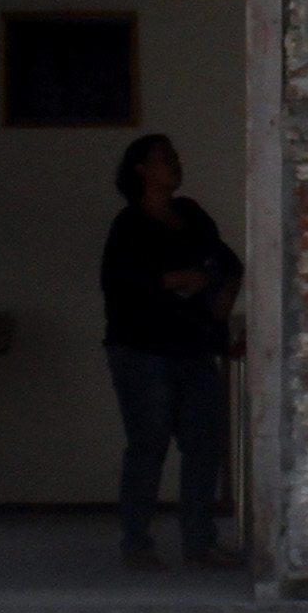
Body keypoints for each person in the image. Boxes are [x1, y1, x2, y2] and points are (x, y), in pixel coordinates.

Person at [99, 133, 241, 570]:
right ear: (141, 170)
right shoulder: (129, 226)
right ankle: (137, 543)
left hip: (194, 346)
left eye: (176, 157)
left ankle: (200, 542)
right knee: (148, 445)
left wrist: (221, 301)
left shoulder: (192, 215)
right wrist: (174, 281)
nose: (175, 164)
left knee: (203, 444)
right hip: (143, 350)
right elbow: (119, 284)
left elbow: (228, 264)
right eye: (165, 159)